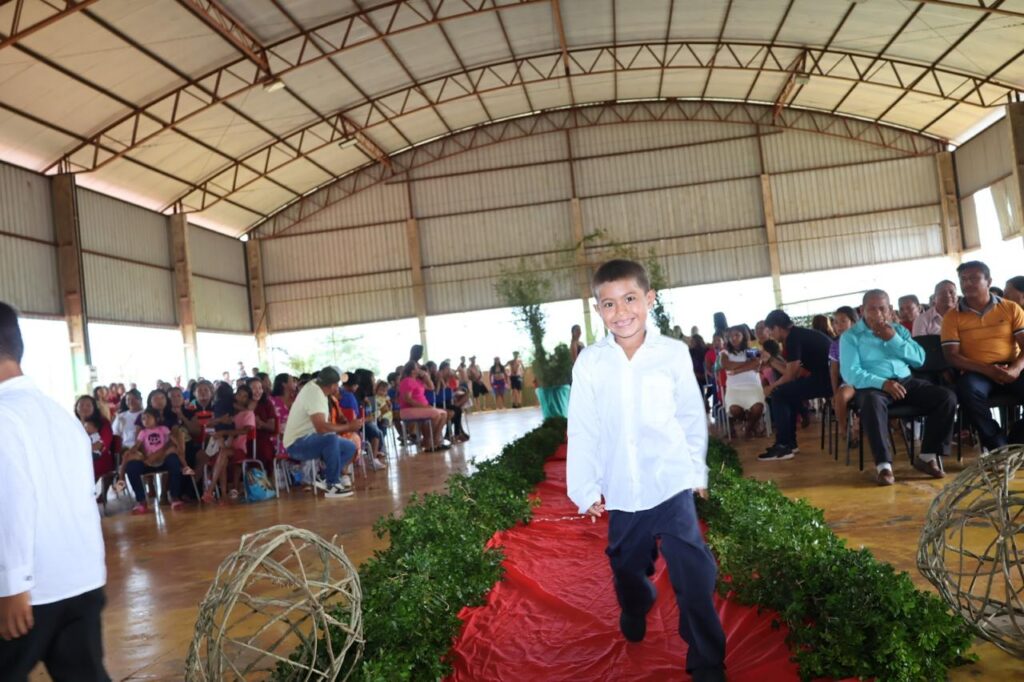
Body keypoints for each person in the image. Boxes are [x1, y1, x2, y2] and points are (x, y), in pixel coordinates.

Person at [567, 260, 725, 682]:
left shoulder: (671, 353)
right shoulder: (591, 364)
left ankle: (707, 661)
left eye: (630, 299)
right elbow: (582, 428)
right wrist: (585, 489)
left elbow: (691, 417)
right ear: (596, 308)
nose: (621, 312)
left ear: (649, 299)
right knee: (626, 566)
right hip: (622, 490)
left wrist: (698, 473)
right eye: (609, 304)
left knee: (695, 575)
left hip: (670, 482)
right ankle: (636, 602)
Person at [0, 303, 111, 680]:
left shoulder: (4, 416)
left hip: (31, 594)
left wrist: (12, 587)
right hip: (80, 580)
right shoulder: (59, 414)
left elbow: (12, 502)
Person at [841, 290, 957, 485]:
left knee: (946, 397)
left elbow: (919, 360)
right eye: (871, 308)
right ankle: (884, 466)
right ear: (862, 310)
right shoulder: (850, 337)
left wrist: (893, 338)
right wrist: (883, 383)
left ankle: (927, 456)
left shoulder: (899, 330)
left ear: (889, 311)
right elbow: (851, 373)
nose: (877, 313)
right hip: (872, 386)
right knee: (871, 402)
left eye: (882, 308)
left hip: (906, 381)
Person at [942, 261, 1024, 451]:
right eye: (963, 279)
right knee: (967, 390)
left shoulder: (1011, 308)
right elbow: (952, 356)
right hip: (977, 371)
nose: (967, 283)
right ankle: (997, 445)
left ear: (989, 281)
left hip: (1012, 367)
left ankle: (1017, 438)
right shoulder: (952, 317)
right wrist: (987, 369)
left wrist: (1016, 369)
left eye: (974, 278)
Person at [758, 309, 833, 461]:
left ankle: (784, 445)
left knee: (779, 393)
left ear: (777, 328)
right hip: (827, 378)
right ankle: (789, 444)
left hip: (830, 380)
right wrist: (771, 360)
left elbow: (791, 375)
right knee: (786, 392)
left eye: (770, 331)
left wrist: (771, 387)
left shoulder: (793, 338)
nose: (771, 335)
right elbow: (794, 371)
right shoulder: (797, 335)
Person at [281, 367, 357, 498]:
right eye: (337, 385)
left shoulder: (318, 386)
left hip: (310, 438)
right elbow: (321, 428)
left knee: (349, 447)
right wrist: (349, 426)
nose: (338, 388)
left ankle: (325, 477)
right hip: (296, 444)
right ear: (332, 386)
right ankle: (332, 485)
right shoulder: (314, 394)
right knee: (331, 439)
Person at [123, 408, 193, 512]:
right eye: (143, 419)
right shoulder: (142, 432)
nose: (145, 420)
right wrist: (131, 451)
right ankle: (141, 501)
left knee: (174, 460)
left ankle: (174, 497)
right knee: (132, 466)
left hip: (163, 458)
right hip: (148, 460)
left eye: (148, 418)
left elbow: (171, 438)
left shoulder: (163, 429)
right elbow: (137, 445)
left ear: (156, 419)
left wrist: (178, 444)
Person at [719, 326, 766, 438]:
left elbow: (757, 363)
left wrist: (737, 370)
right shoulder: (725, 353)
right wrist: (748, 364)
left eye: (737, 335)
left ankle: (749, 427)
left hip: (753, 386)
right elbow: (727, 365)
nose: (733, 338)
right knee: (734, 409)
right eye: (730, 336)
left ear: (743, 336)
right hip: (734, 388)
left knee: (758, 407)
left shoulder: (750, 350)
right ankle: (751, 423)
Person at [398, 362, 449, 450]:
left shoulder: (417, 381)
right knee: (435, 414)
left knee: (444, 414)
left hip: (421, 407)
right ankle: (427, 440)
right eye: (417, 368)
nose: (419, 369)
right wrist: (424, 406)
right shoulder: (407, 381)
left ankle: (435, 440)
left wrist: (426, 376)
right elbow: (408, 399)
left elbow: (431, 387)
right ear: (412, 371)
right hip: (408, 409)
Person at [829, 306, 860, 445]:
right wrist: (835, 391)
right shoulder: (835, 345)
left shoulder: (862, 339)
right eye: (835, 322)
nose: (838, 325)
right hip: (850, 382)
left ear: (853, 322)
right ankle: (845, 431)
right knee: (841, 396)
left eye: (843, 321)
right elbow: (834, 371)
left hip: (868, 380)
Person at [76, 396, 116, 505]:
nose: (85, 408)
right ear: (76, 407)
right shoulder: (73, 423)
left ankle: (86, 499)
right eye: (82, 405)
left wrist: (81, 452)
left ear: (94, 408)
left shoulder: (103, 423)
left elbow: (102, 443)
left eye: (88, 405)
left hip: (99, 458)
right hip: (77, 458)